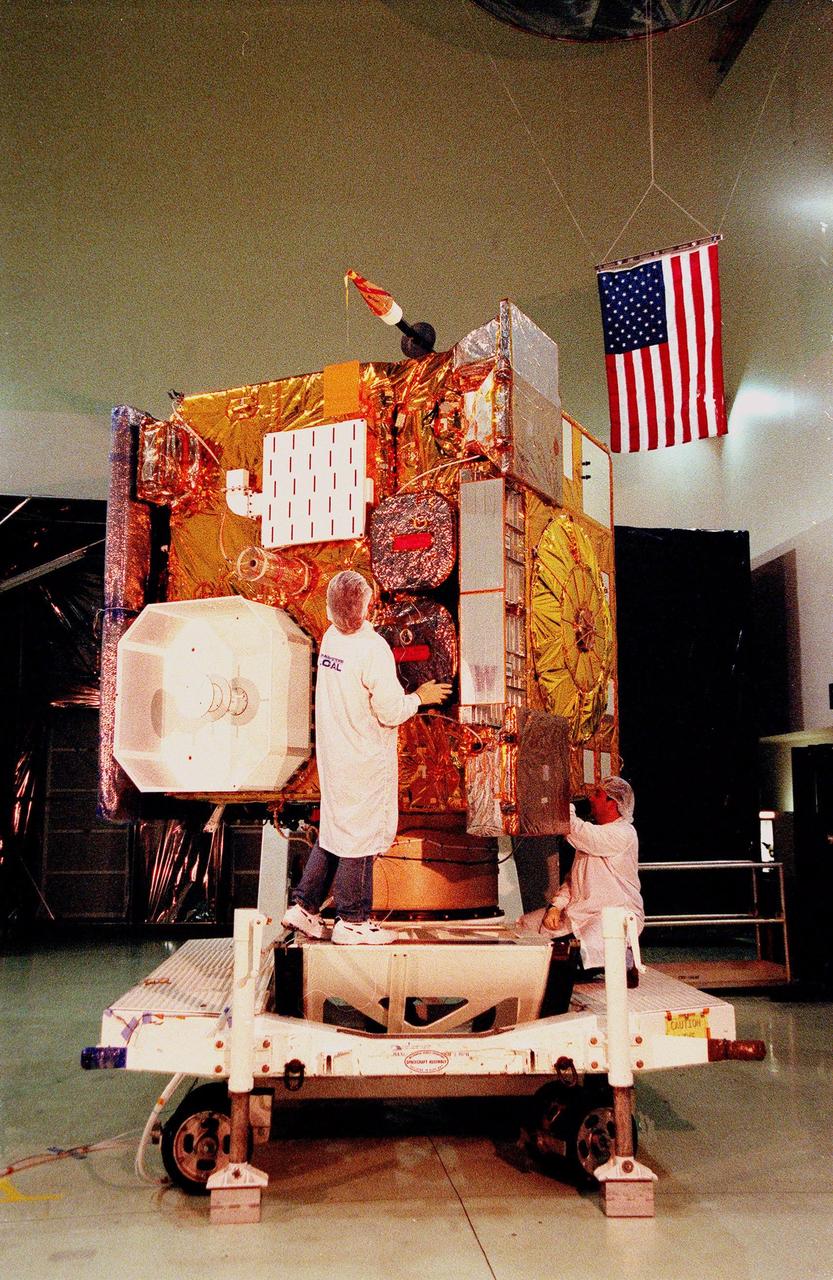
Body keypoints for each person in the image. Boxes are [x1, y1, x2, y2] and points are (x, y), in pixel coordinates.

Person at [281, 569, 451, 945]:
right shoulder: (371, 649)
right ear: (366, 605)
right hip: (362, 757)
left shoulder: (330, 640)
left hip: (336, 754)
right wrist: (421, 696)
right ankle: (353, 920)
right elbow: (390, 711)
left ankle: (305, 907)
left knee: (338, 830)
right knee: (359, 836)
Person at [520, 776, 643, 980]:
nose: (591, 799)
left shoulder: (624, 833)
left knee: (575, 959)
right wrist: (555, 907)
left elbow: (580, 832)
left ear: (613, 802)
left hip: (612, 914)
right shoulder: (594, 836)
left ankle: (625, 959)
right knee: (526, 927)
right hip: (581, 913)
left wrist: (563, 805)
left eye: (597, 795)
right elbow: (572, 881)